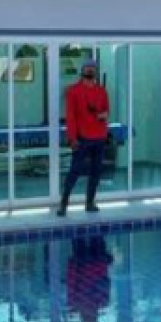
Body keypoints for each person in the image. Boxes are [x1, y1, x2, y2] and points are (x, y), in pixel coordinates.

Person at [58, 59, 109, 216]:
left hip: (99, 137)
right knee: (74, 171)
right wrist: (72, 138)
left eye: (92, 68)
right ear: (82, 70)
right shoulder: (74, 91)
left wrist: (103, 115)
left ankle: (90, 202)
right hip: (82, 138)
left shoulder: (101, 91)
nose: (90, 70)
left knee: (96, 172)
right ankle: (64, 203)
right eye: (87, 68)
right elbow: (70, 117)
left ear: (96, 71)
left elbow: (106, 111)